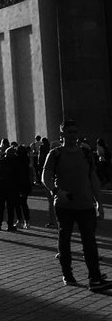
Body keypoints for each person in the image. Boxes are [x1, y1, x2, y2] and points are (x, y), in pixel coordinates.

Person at [42, 119, 108, 290]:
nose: (73, 136)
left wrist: (99, 203)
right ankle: (68, 274)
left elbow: (93, 179)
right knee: (64, 239)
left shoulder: (86, 154)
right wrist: (57, 192)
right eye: (69, 132)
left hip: (86, 204)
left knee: (90, 242)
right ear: (62, 134)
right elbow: (45, 178)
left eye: (75, 132)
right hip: (64, 205)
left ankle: (94, 278)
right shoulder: (55, 154)